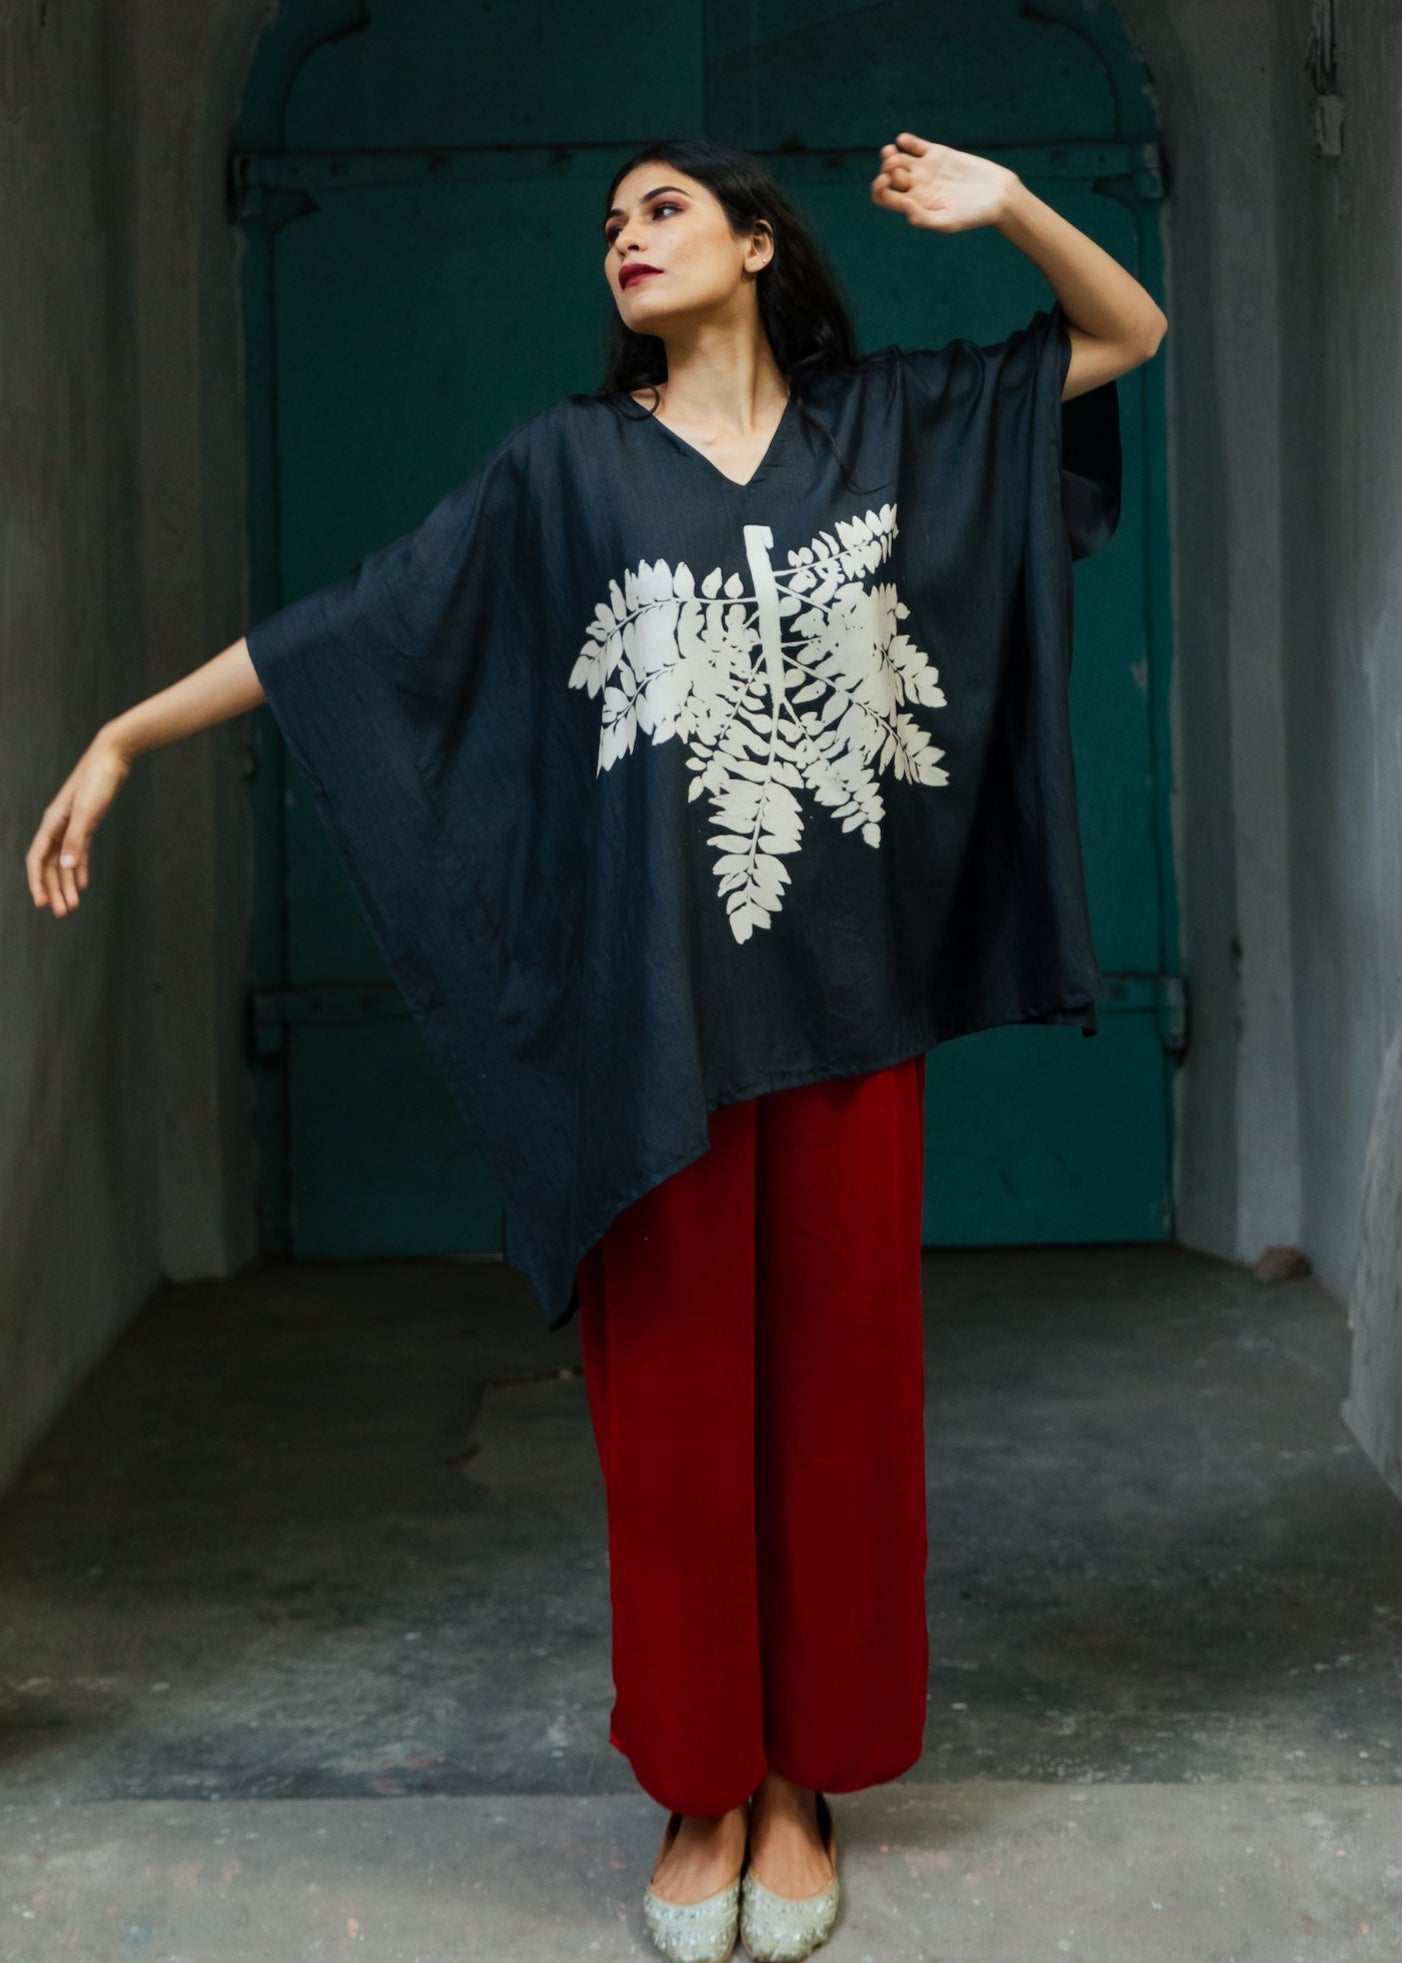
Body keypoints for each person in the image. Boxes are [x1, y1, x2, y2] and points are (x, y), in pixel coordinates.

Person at [26, 132, 1165, 1962]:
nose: (624, 241)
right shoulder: (568, 468)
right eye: (607, 225)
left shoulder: (891, 428)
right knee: (678, 1426)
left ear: (753, 241)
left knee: (845, 1408)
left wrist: (1015, 206)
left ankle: (810, 1778)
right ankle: (705, 1775)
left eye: (660, 209)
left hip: (852, 1019)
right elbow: (355, 629)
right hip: (658, 1030)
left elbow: (1126, 335)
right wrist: (121, 733)